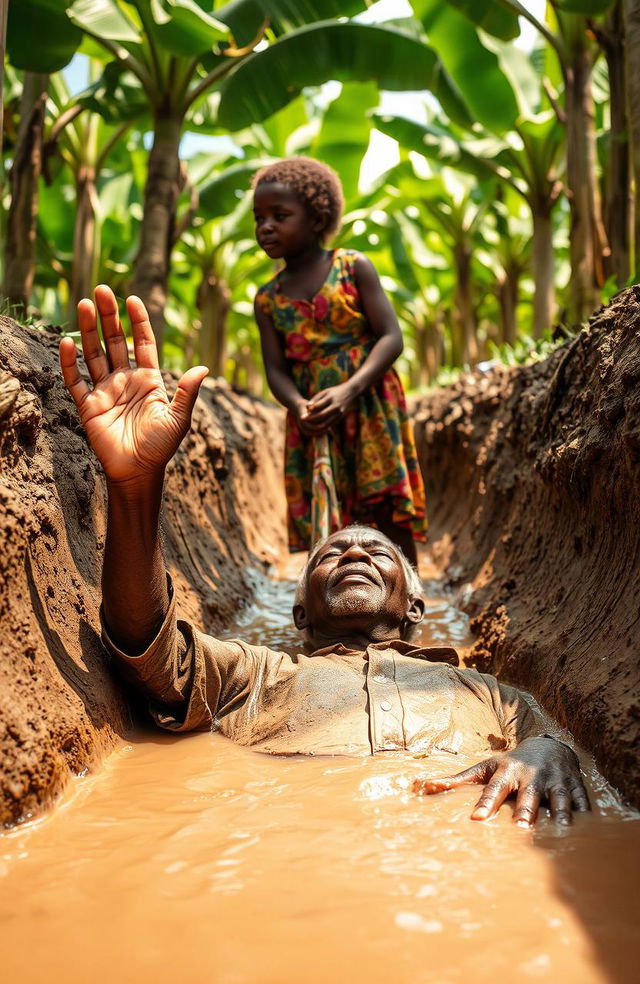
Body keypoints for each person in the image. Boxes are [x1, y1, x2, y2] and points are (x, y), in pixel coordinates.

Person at [58, 287, 589, 828]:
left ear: (415, 608)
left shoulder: (490, 693)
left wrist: (546, 751)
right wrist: (135, 486)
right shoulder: (254, 676)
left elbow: (555, 744)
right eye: (329, 554)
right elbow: (147, 646)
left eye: (378, 552)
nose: (353, 549)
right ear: (300, 615)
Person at [252, 156, 427, 567]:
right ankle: (340, 610)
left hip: (368, 405)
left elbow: (391, 337)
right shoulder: (267, 298)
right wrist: (298, 406)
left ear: (316, 218)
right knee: (333, 519)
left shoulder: (352, 267)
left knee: (384, 506)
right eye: (259, 217)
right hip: (315, 418)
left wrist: (350, 389)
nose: (266, 226)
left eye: (280, 215)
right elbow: (276, 369)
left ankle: (407, 599)